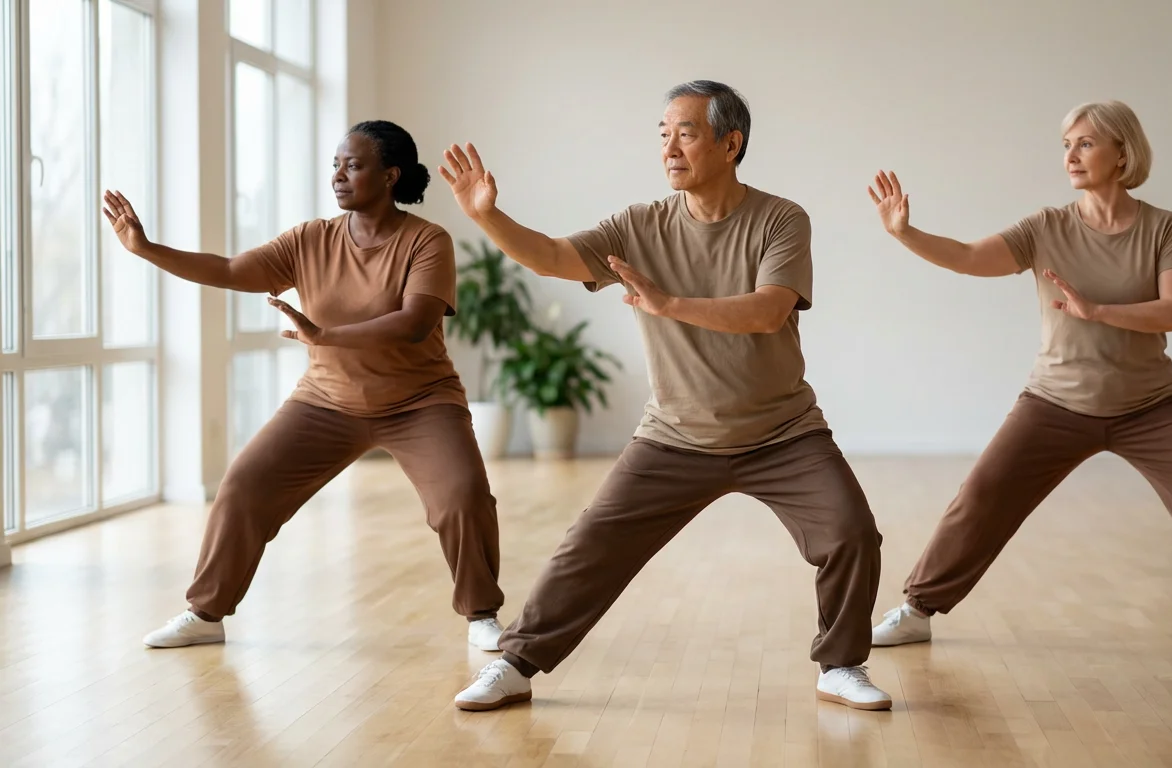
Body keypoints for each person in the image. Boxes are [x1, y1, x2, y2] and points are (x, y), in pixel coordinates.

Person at [441, 80, 891, 712]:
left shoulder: (781, 219)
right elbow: (551, 257)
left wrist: (668, 303)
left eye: (686, 132)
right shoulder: (639, 224)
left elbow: (768, 312)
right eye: (663, 134)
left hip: (782, 432)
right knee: (589, 547)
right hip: (675, 435)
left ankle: (840, 664)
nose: (669, 148)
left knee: (851, 534)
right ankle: (516, 664)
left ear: (731, 144)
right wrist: (485, 214)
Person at [103, 120, 507, 652]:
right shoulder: (310, 239)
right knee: (244, 485)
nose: (338, 176)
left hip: (419, 401)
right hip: (327, 400)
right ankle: (205, 614)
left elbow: (414, 324)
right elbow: (228, 269)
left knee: (463, 495)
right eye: (336, 164)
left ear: (390, 175)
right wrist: (147, 249)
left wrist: (323, 333)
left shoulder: (426, 241)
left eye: (353, 165)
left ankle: (481, 614)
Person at [867, 100, 1172, 651]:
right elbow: (971, 257)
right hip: (1056, 400)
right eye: (1066, 144)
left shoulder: (1163, 227)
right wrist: (907, 234)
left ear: (1123, 152)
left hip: (1149, 402)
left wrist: (1099, 312)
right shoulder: (1046, 227)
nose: (1070, 155)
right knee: (982, 495)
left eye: (1086, 143)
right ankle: (917, 608)